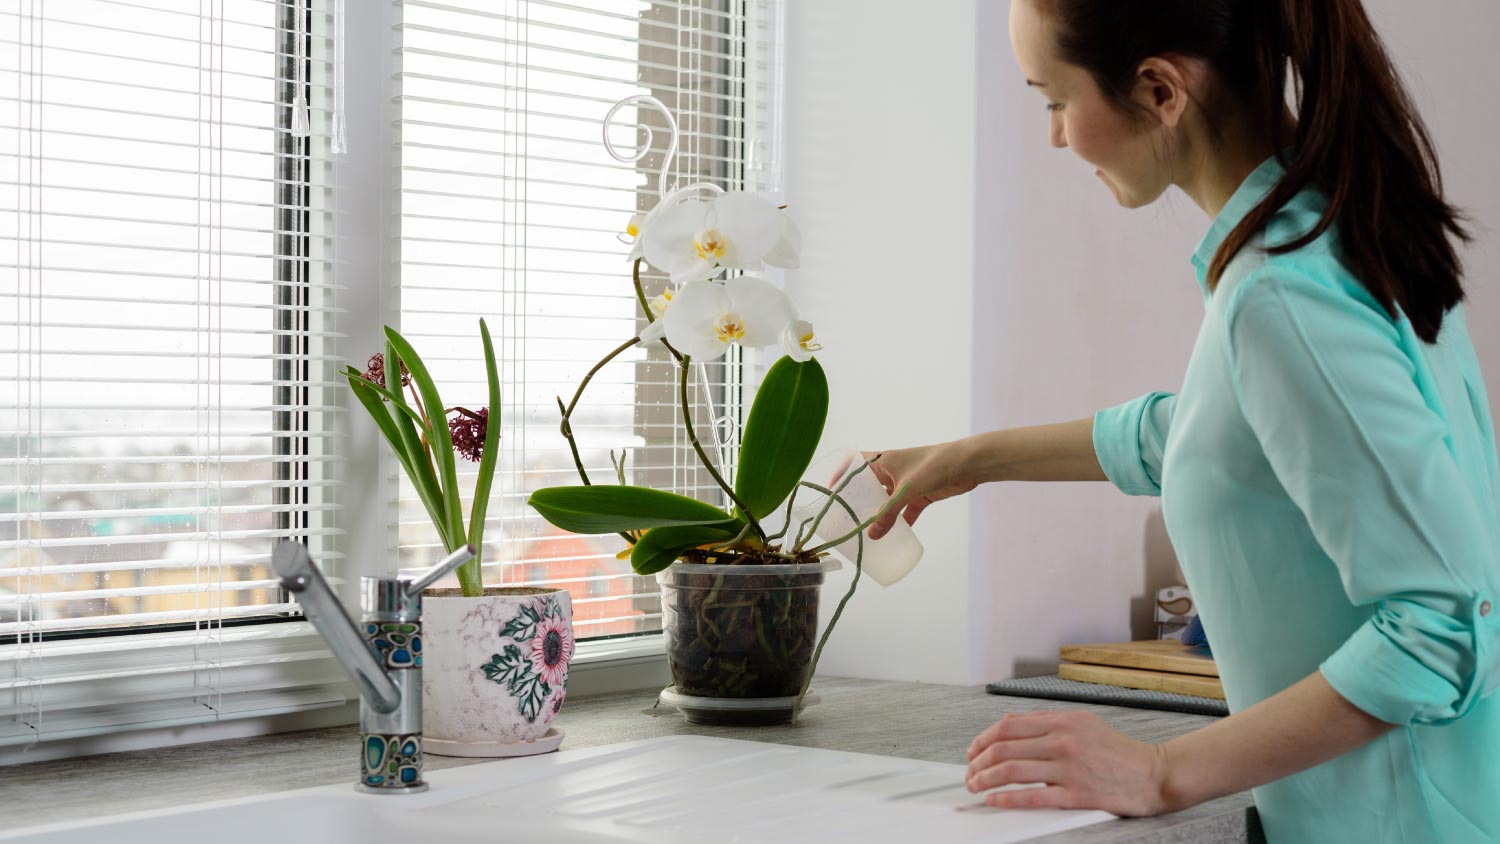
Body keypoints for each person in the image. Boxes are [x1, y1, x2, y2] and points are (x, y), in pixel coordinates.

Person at [867, 1, 1499, 841]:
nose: (1055, 136)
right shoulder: (1324, 234)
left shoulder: (1283, 295)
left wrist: (1163, 772)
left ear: (1161, 90)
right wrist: (969, 458)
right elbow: (1218, 438)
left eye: (1056, 101)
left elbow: (1445, 627)